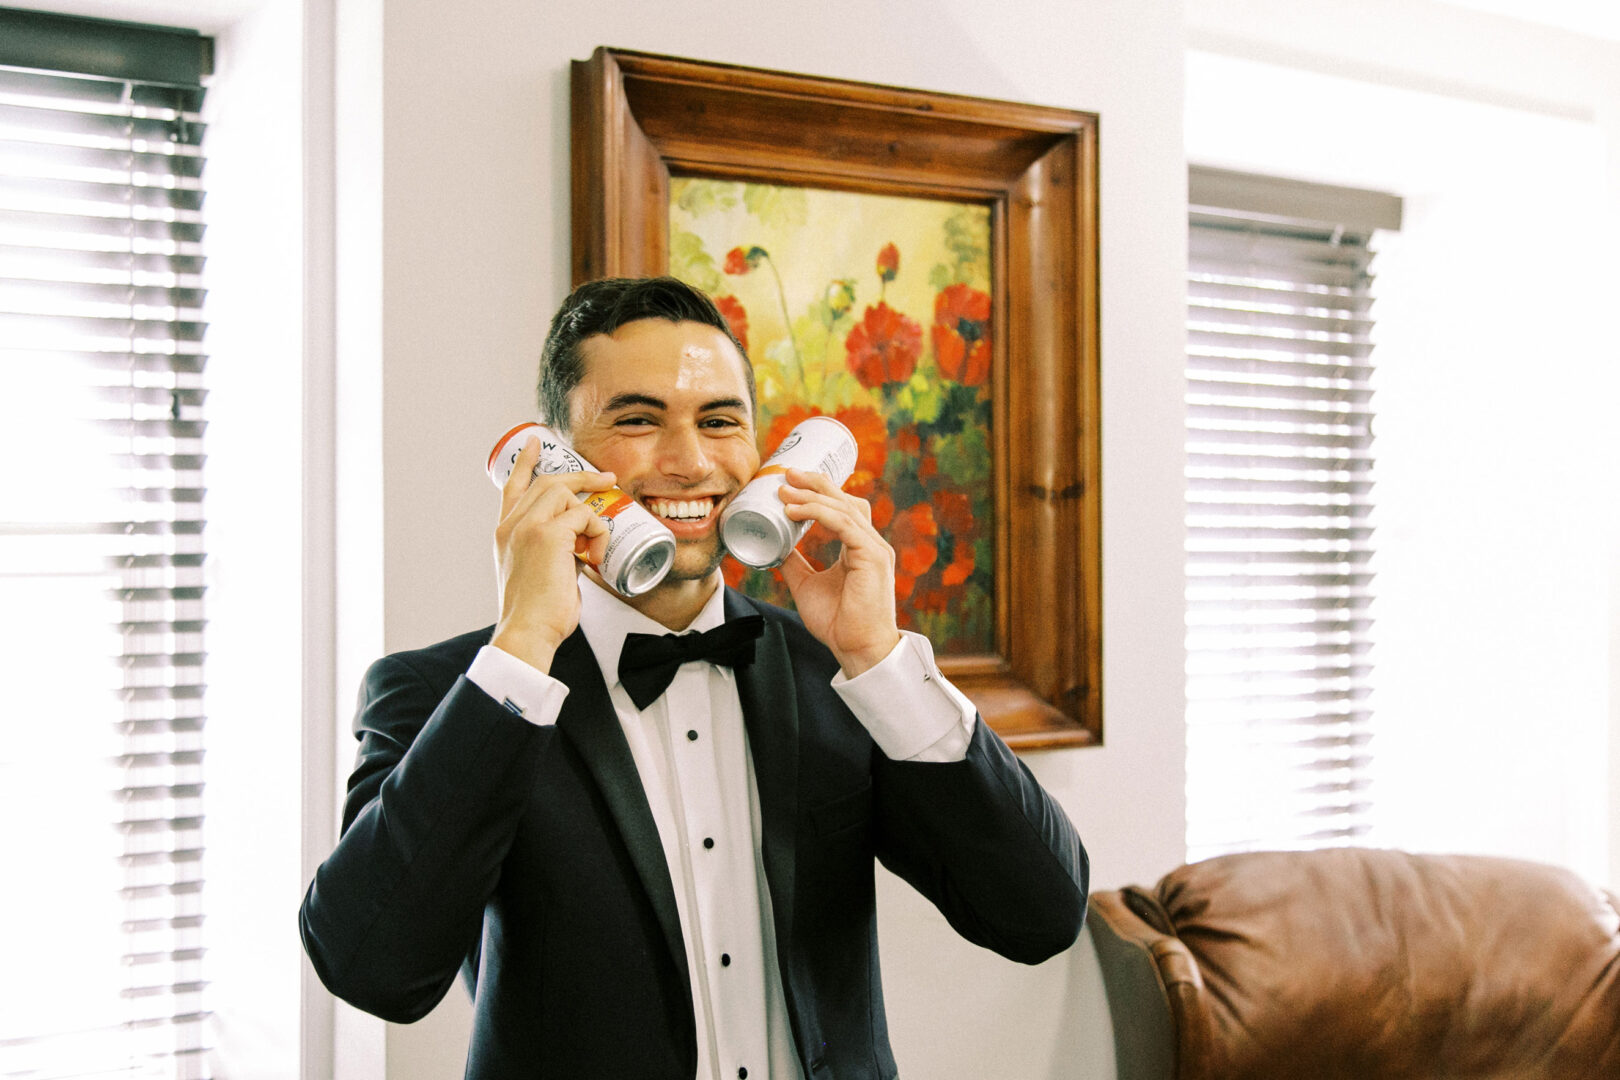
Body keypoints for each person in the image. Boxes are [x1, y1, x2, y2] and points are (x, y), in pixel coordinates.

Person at [299, 276, 1088, 1080]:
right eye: (638, 421)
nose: (690, 462)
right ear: (555, 460)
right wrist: (523, 641)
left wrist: (883, 662)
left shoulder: (841, 672)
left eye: (720, 421)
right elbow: (372, 968)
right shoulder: (451, 691)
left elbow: (1038, 917)